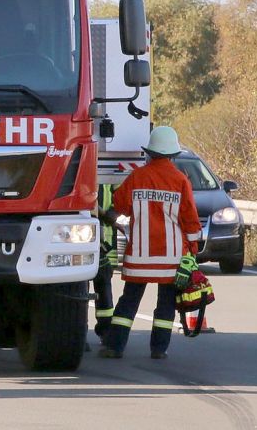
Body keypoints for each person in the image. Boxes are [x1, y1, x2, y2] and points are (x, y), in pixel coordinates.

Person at [99, 126, 202, 360]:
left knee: (128, 302)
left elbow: (120, 205)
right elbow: (190, 220)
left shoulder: (137, 176)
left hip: (139, 257)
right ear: (173, 154)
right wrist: (193, 251)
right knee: (165, 305)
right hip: (170, 257)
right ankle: (159, 349)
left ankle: (115, 346)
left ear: (150, 152)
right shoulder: (180, 180)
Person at [92, 183, 120, 343]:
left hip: (106, 240)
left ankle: (106, 330)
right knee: (78, 289)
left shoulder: (111, 168)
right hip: (80, 236)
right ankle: (81, 332)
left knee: (103, 287)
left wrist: (114, 211)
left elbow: (123, 192)